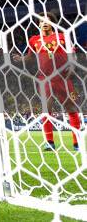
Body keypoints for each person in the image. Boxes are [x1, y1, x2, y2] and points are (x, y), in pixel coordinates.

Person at [12, 12, 81, 151]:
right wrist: (21, 59)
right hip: (44, 78)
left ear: (52, 23)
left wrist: (72, 67)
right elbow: (31, 56)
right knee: (46, 109)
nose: (44, 22)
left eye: (47, 20)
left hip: (62, 77)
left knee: (71, 109)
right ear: (38, 24)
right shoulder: (34, 40)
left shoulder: (62, 36)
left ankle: (76, 143)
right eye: (41, 21)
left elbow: (72, 54)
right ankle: (50, 142)